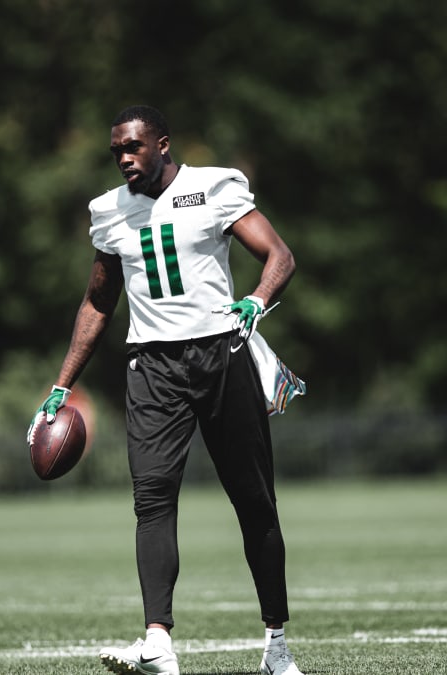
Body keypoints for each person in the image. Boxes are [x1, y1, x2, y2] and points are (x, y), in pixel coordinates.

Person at [27, 105, 305, 675]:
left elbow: (280, 256)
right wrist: (61, 386)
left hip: (221, 354)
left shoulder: (213, 188)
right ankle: (158, 642)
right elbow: (100, 302)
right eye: (116, 152)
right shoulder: (109, 212)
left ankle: (276, 645)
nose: (124, 159)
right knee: (151, 500)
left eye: (133, 147)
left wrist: (255, 299)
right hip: (151, 367)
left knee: (255, 503)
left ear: (162, 144)